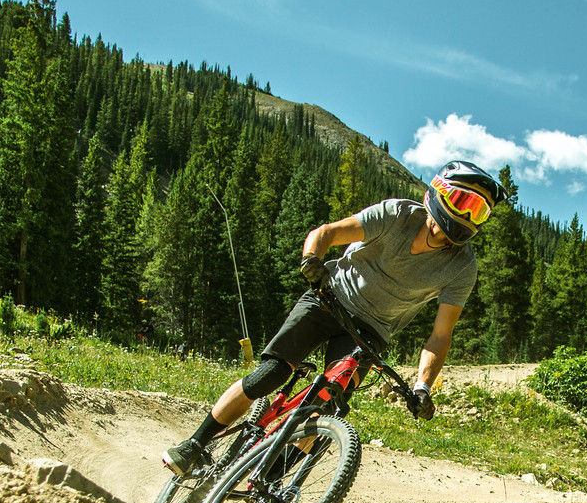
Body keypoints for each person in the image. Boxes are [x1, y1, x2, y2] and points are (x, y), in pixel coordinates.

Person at [161, 160, 505, 476]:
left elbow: (440, 335)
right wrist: (312, 259)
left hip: (369, 332)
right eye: (464, 201)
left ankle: (267, 481)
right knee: (272, 373)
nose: (468, 215)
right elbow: (327, 232)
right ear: (440, 192)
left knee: (325, 407)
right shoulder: (396, 215)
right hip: (328, 298)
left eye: (479, 211)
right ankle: (194, 445)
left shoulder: (463, 267)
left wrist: (423, 387)